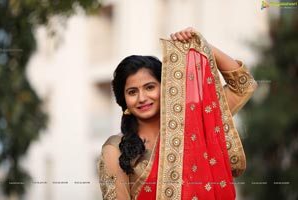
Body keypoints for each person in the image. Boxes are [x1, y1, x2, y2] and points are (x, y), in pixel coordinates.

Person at [98, 27, 257, 200]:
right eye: (132, 92)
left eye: (150, 87)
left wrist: (203, 46)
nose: (142, 98)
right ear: (123, 99)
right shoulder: (115, 148)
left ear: (165, 87)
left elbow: (243, 85)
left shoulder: (194, 124)